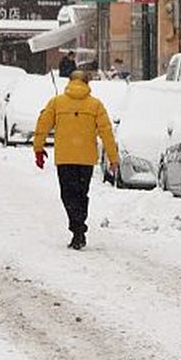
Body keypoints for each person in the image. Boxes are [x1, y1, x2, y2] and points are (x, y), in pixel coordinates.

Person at [31, 69, 118, 251]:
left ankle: (77, 228)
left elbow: (42, 125)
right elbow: (107, 132)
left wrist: (38, 149)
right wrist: (113, 157)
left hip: (65, 157)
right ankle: (79, 227)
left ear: (69, 82)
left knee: (68, 195)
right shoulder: (96, 105)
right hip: (86, 159)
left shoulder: (57, 103)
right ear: (87, 83)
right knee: (81, 193)